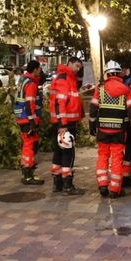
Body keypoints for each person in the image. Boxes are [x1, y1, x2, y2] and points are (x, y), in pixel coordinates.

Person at [89, 60, 131, 198]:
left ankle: (103, 186)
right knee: (117, 158)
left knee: (103, 156)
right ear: (119, 73)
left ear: (106, 74)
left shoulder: (99, 90)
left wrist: (92, 125)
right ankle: (115, 189)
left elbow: (93, 109)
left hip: (103, 130)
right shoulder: (126, 90)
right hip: (119, 131)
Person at [48, 56, 85, 195]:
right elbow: (60, 102)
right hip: (65, 123)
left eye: (79, 67)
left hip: (60, 122)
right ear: (69, 64)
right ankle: (67, 185)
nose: (78, 69)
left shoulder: (65, 78)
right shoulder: (65, 79)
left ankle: (57, 183)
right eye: (76, 66)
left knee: (58, 152)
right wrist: (63, 124)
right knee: (68, 153)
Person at [14, 60, 44, 185]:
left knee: (29, 144)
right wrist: (33, 121)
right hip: (28, 118)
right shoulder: (31, 84)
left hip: (22, 117)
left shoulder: (23, 80)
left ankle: (28, 172)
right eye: (40, 69)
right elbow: (29, 103)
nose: (41, 71)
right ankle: (27, 175)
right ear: (35, 69)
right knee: (29, 145)